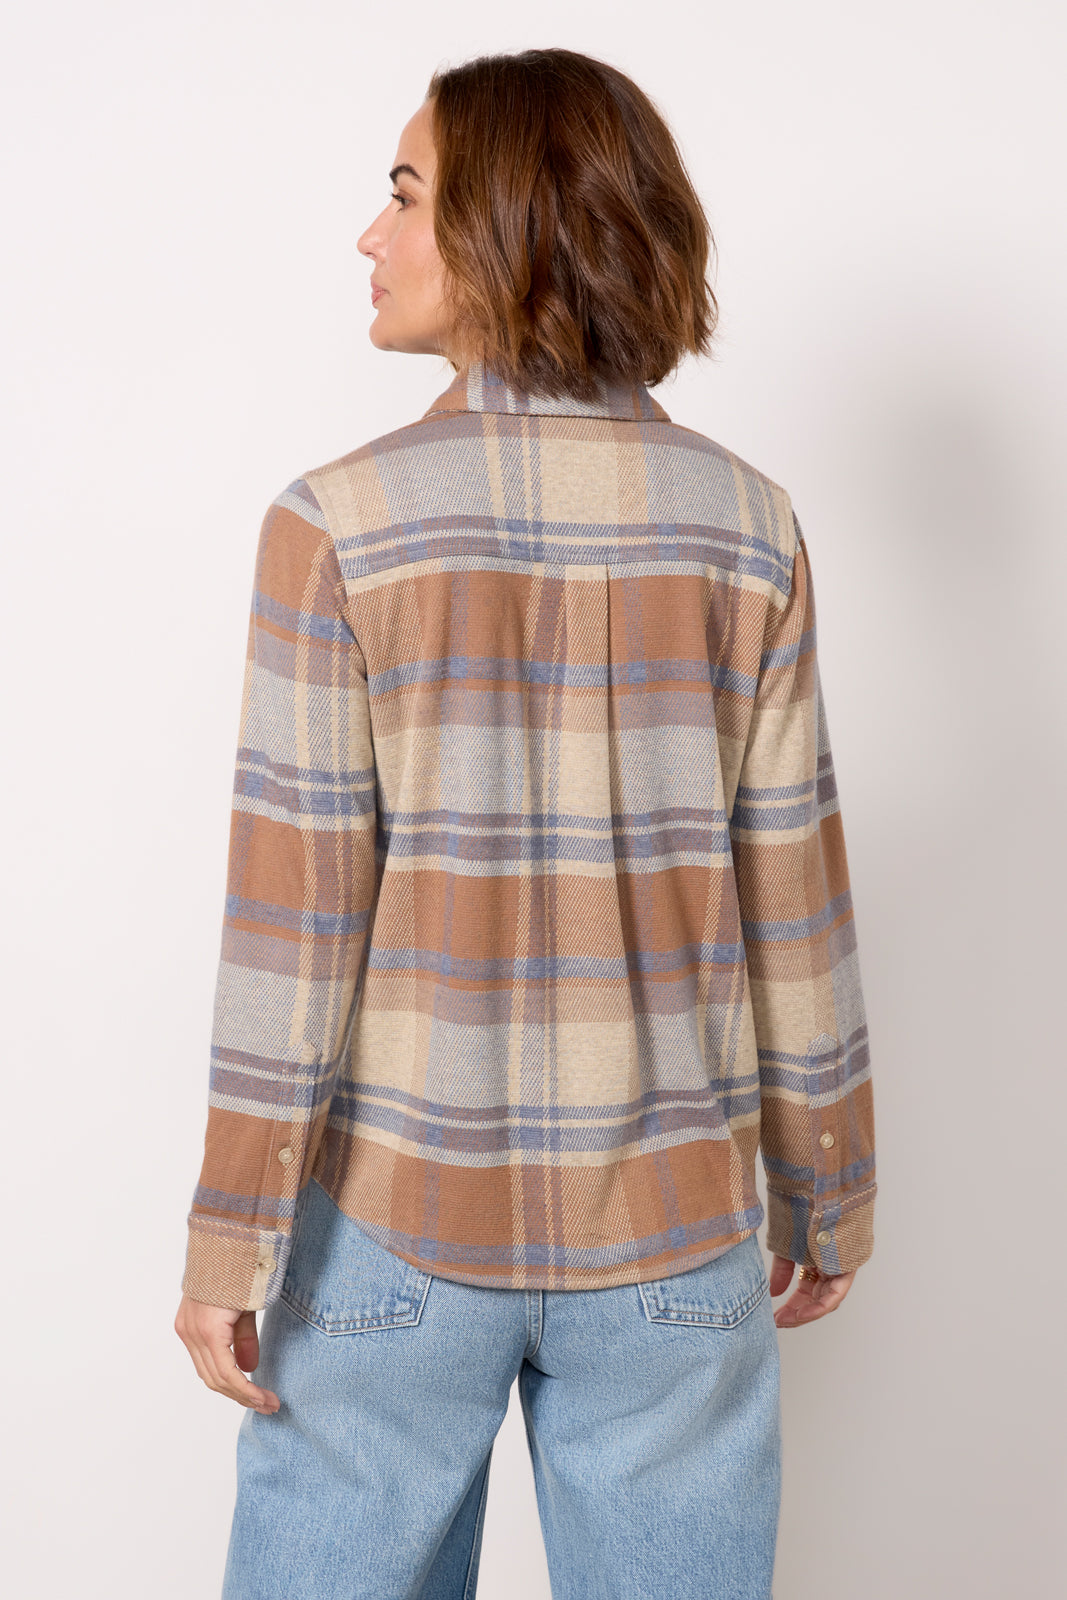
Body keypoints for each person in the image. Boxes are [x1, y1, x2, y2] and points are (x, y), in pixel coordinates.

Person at [174, 47, 876, 1600]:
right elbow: (795, 896)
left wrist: (232, 1238)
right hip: (677, 1236)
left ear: (509, 223)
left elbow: (295, 931)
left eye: (406, 192)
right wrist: (826, 1183)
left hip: (392, 1229)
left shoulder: (337, 526)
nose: (371, 233)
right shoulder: (749, 527)